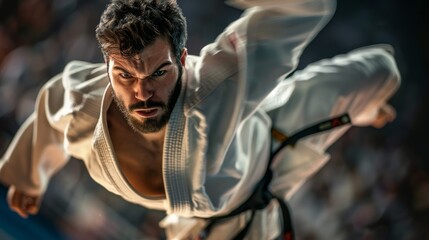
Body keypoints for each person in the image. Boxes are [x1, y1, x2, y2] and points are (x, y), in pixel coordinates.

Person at [0, 0, 400, 239]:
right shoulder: (81, 101)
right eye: (124, 75)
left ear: (183, 59)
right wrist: (28, 173)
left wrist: (360, 109)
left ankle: (362, 109)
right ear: (105, 66)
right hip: (220, 224)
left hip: (276, 130)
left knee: (382, 70)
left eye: (158, 72)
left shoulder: (215, 83)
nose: (142, 93)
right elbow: (51, 105)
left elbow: (310, 6)